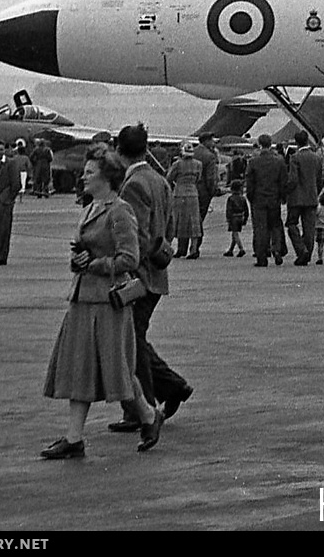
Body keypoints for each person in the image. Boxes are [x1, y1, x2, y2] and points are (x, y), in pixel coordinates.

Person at [40, 148, 163, 459]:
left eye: (90, 172)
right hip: (83, 298)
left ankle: (148, 415)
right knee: (80, 368)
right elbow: (84, 251)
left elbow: (130, 258)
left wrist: (92, 263)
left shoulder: (120, 210)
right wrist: (79, 259)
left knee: (116, 368)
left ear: (107, 178)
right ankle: (74, 438)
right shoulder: (91, 207)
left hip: (109, 301)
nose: (83, 175)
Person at [109, 124, 192, 434]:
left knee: (130, 343)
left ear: (119, 151)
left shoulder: (133, 184)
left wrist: (127, 264)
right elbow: (166, 227)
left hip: (138, 276)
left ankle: (143, 409)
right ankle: (170, 388)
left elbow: (137, 234)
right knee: (136, 338)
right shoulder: (158, 180)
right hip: (156, 272)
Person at [244, 134, 288, 267]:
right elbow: (283, 181)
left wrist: (250, 197)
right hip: (274, 198)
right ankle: (277, 250)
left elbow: (249, 182)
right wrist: (282, 197)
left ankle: (262, 257)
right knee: (275, 226)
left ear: (259, 144)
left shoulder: (253, 161)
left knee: (260, 228)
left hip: (258, 199)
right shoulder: (279, 161)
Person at [286, 130, 324, 264]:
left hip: (296, 198)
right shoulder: (317, 158)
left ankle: (301, 250)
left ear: (296, 142)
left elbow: (293, 179)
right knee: (309, 228)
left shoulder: (295, 158)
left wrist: (287, 191)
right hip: (311, 197)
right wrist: (315, 190)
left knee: (291, 224)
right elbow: (321, 179)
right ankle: (307, 254)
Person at [165, 141, 203, 259]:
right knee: (194, 222)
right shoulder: (198, 164)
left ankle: (174, 248)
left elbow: (169, 178)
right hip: (193, 193)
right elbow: (199, 178)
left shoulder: (177, 164)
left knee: (179, 221)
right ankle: (194, 248)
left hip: (179, 194)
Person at [193, 133, 220, 233]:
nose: (213, 143)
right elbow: (210, 178)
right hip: (203, 192)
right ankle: (196, 246)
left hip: (191, 190)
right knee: (200, 219)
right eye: (212, 140)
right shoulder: (210, 156)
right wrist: (213, 191)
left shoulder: (193, 152)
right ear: (206, 141)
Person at [223, 179, 248, 257]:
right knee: (234, 234)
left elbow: (229, 210)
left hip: (233, 217)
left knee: (235, 234)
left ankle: (241, 249)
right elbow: (246, 210)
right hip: (240, 216)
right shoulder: (243, 198)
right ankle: (231, 250)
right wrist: (245, 219)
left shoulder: (231, 199)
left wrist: (228, 218)